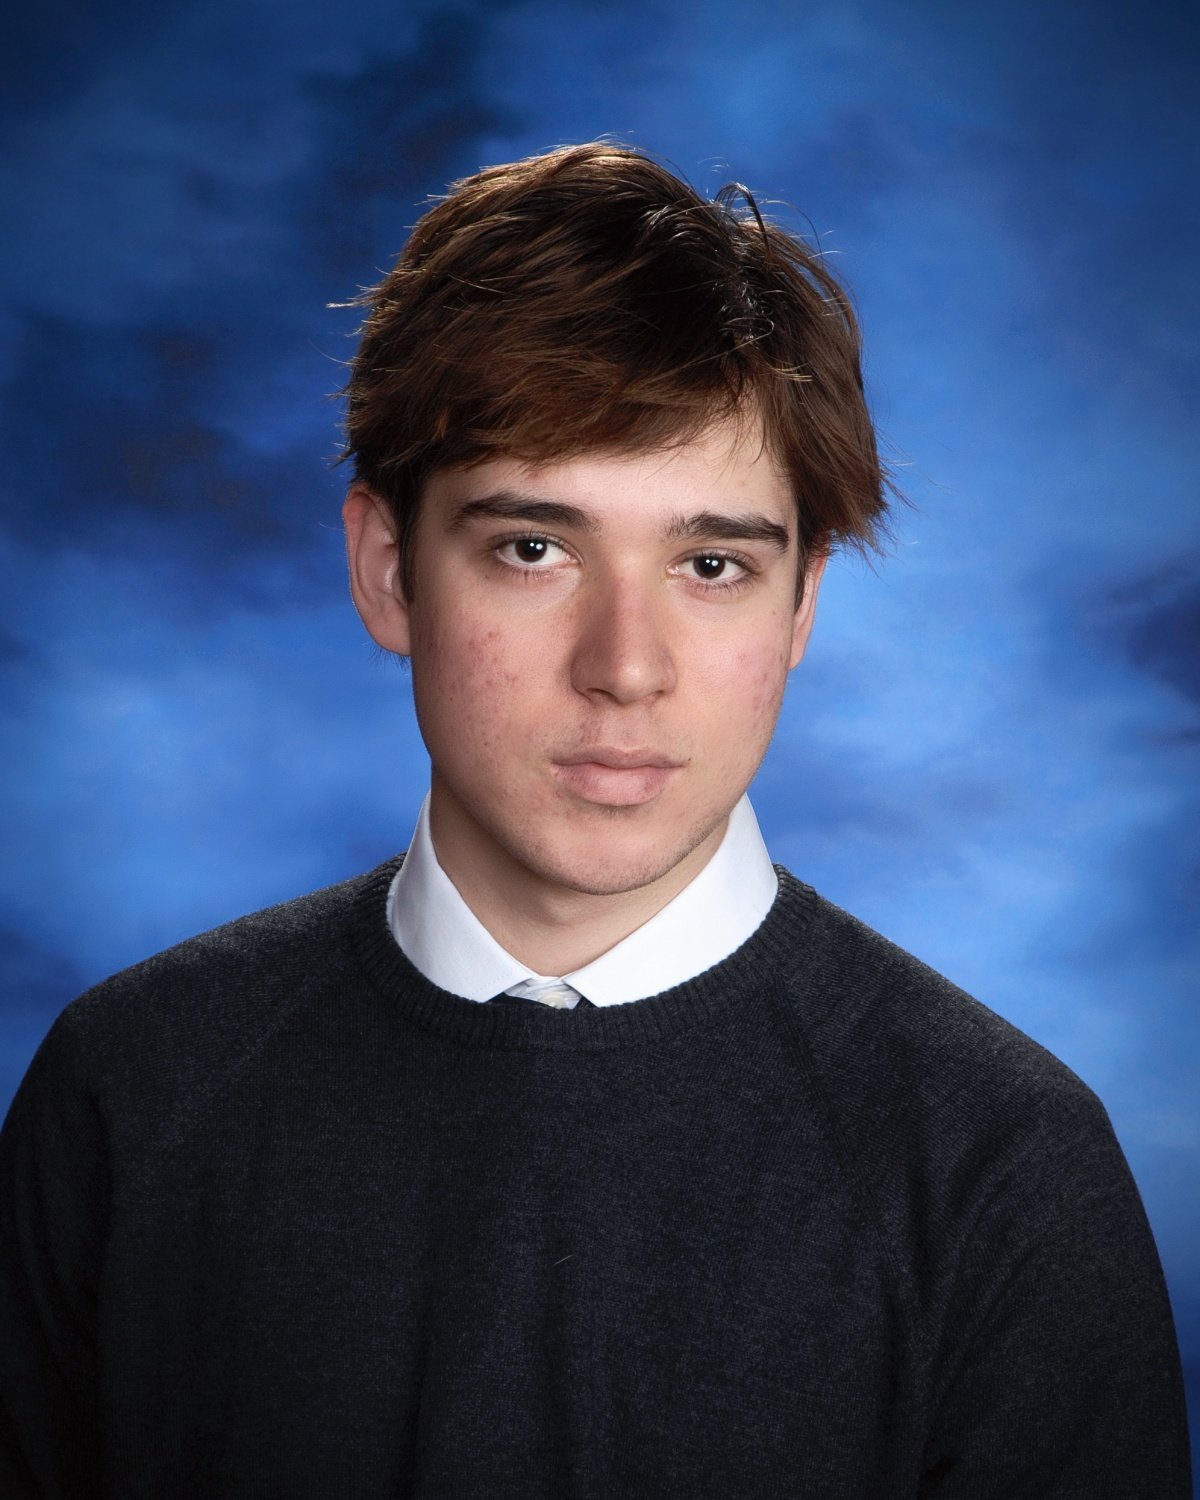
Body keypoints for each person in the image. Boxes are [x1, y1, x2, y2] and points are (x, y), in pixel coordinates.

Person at [0, 143, 1190, 1498]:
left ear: (801, 606)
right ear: (388, 571)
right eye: (534, 549)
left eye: (711, 564)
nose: (626, 666)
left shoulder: (1003, 1169)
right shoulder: (130, 1094)